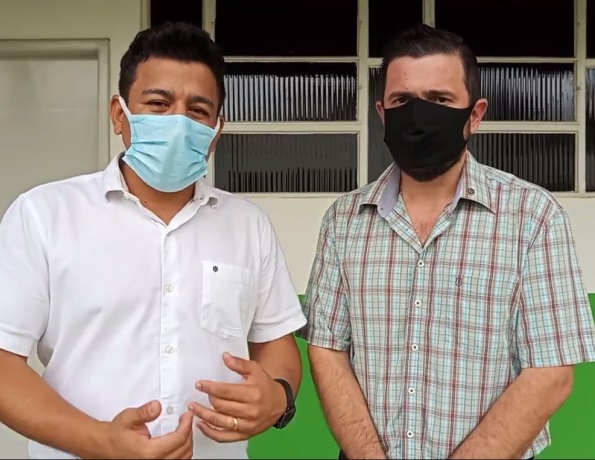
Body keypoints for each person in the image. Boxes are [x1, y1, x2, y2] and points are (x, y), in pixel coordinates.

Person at [0, 22, 306, 459]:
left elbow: (275, 343)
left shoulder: (248, 225)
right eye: (159, 104)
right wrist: (102, 442)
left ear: (217, 129)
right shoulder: (43, 215)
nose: (178, 122)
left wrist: (278, 396)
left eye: (198, 110)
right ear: (119, 114)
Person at [299, 24, 595, 460]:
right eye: (402, 101)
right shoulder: (343, 222)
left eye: (439, 100)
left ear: (475, 114)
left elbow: (551, 371)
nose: (419, 116)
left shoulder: (533, 218)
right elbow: (327, 350)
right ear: (382, 112)